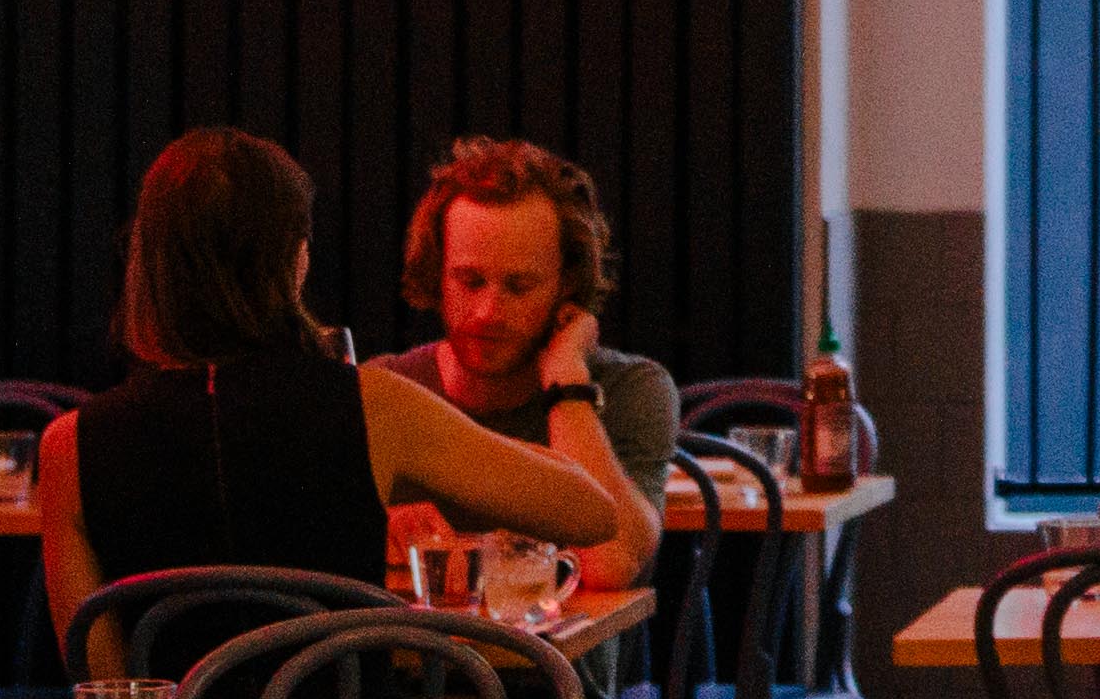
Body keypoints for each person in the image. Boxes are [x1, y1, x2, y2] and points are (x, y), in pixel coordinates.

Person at [39, 130, 648, 629]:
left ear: (146, 261)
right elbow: (592, 515)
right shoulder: (373, 405)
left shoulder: (67, 448)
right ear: (295, 261)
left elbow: (98, 681)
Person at [385, 137, 670, 594]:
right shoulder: (389, 388)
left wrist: (567, 386)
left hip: (552, 667)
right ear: (437, 272)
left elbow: (610, 564)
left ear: (566, 287)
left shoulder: (629, 387)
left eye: (519, 286)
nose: (488, 312)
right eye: (469, 280)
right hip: (411, 663)